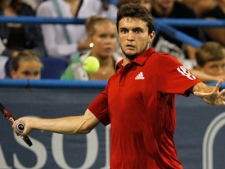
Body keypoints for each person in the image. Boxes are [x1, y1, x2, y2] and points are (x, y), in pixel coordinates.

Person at [12, 4, 225, 169]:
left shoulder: (160, 63)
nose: (130, 37)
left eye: (138, 31)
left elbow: (197, 86)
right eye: (124, 30)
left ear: (151, 36)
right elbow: (83, 123)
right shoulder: (115, 81)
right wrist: (34, 122)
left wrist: (208, 95)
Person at [36, 0, 118, 60]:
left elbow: (114, 27)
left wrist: (107, 6)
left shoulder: (98, 4)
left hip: (94, 58)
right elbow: (51, 50)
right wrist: (79, 46)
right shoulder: (46, 8)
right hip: (61, 62)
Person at [61, 15, 121, 80]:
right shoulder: (77, 65)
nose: (108, 41)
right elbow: (62, 89)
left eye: (112, 36)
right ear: (90, 39)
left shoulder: (126, 65)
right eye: (102, 36)